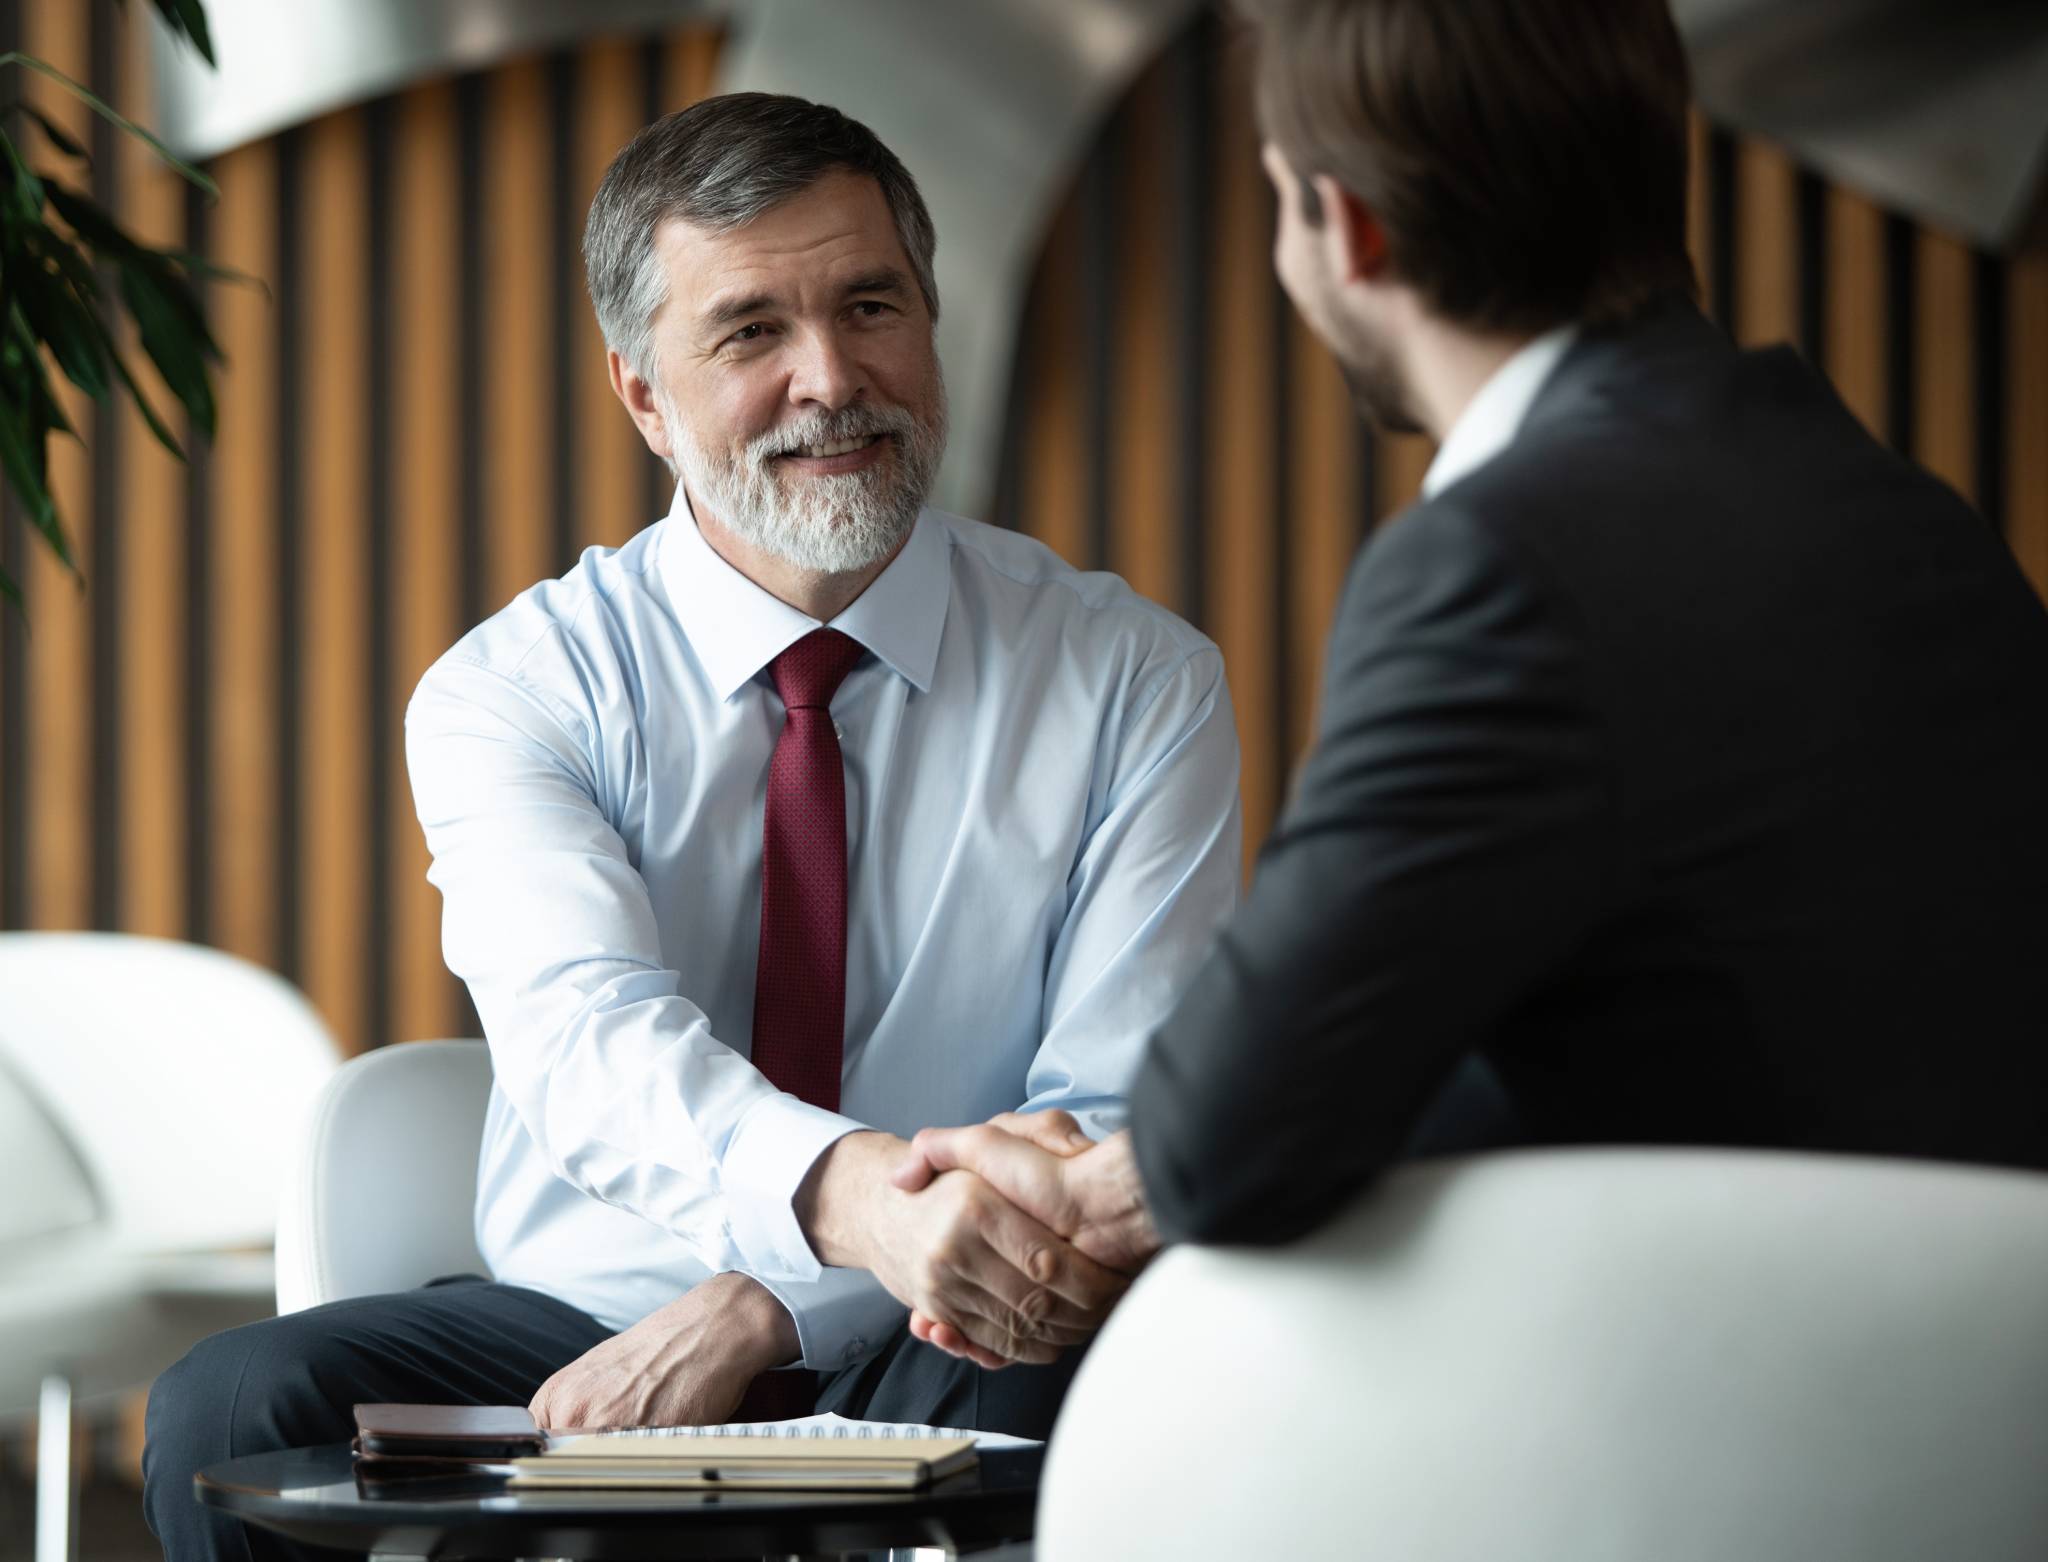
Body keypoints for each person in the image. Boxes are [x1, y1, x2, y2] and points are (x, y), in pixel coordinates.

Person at [142, 92, 1242, 1557]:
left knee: (1097, 1354)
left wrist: (781, 1298)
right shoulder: (517, 687)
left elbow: (1109, 1122)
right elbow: (592, 1048)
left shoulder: (1134, 678)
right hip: (585, 1331)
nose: (831, 377)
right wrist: (840, 1204)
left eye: (872, 305)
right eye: (749, 333)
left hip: (956, 1314)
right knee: (235, 1406)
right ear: (644, 393)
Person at [890, 0, 2048, 1363]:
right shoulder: (1901, 503)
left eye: (1278, 201)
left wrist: (1070, 1188)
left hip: (1747, 1411)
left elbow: (1232, 1142)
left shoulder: (1505, 561)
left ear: (1351, 228)